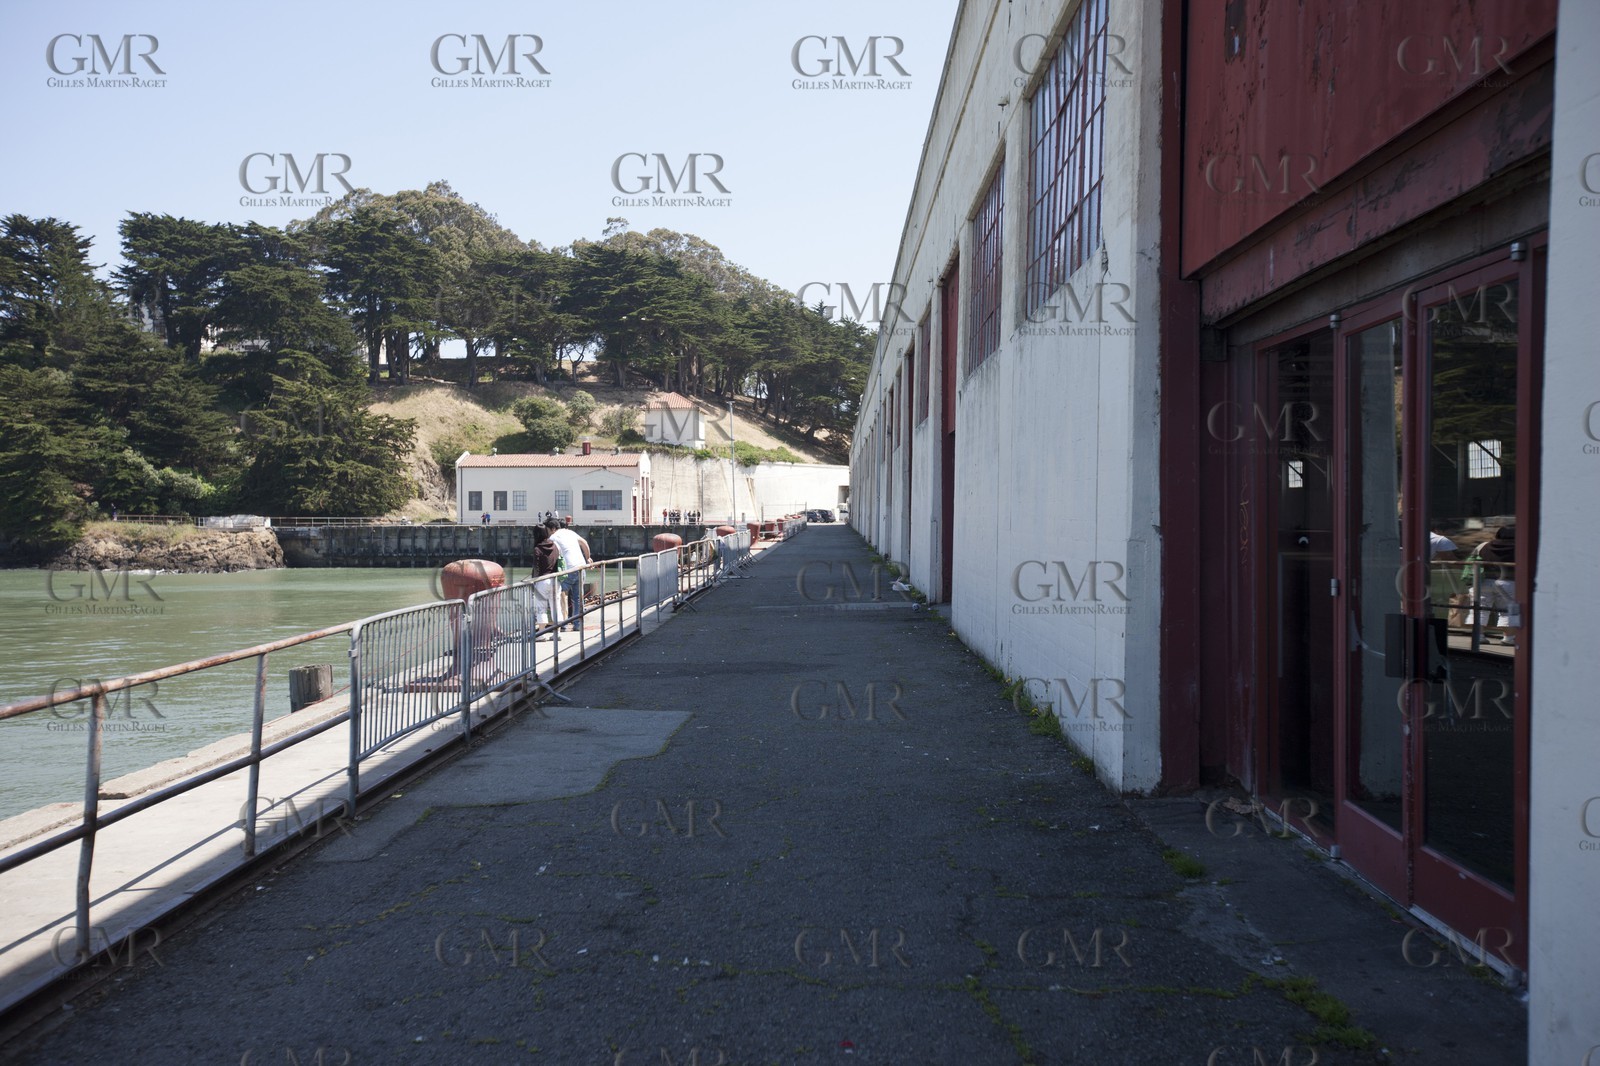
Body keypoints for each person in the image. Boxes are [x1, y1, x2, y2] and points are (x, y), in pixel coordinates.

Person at [1471, 524, 1518, 645]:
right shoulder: (1521, 547)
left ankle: (1479, 636)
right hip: (1509, 582)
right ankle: (1509, 638)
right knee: (1508, 610)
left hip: (1484, 582)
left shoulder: (1483, 546)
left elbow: (1472, 559)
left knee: (1480, 608)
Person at [546, 518, 591, 628]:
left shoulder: (553, 537)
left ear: (552, 529)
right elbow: (584, 542)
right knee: (577, 597)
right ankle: (578, 624)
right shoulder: (570, 532)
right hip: (581, 567)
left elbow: (551, 555)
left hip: (568, 569)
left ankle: (563, 624)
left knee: (560, 595)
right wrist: (588, 558)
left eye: (547, 529)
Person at [530, 524, 562, 636]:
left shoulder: (537, 549)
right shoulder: (555, 546)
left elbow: (536, 568)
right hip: (555, 580)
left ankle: (542, 633)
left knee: (541, 608)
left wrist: (533, 581)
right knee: (556, 606)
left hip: (542, 581)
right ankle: (557, 633)